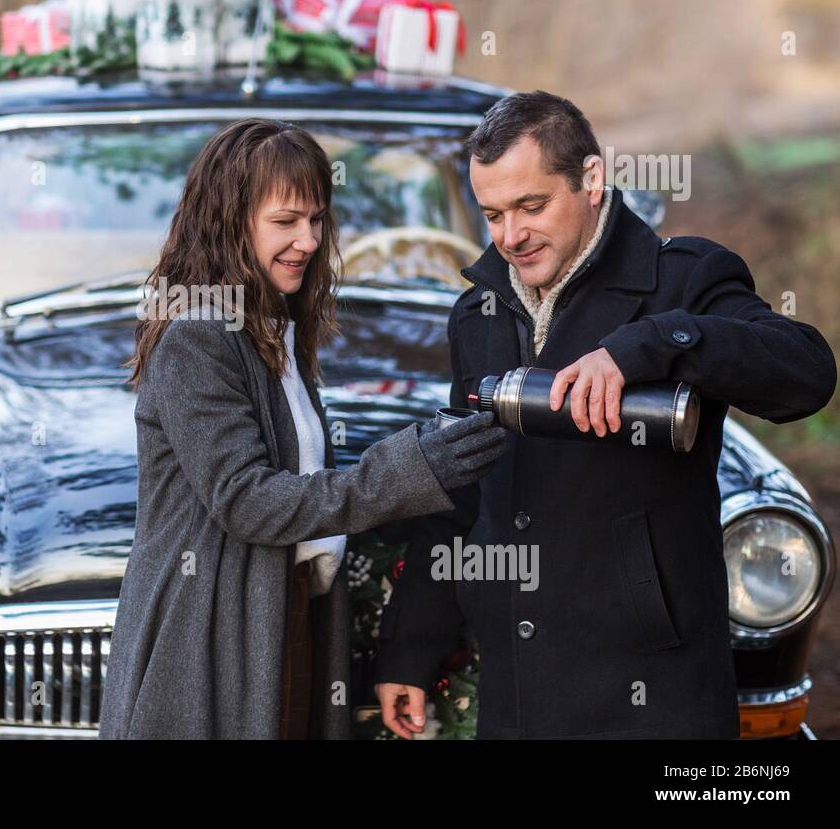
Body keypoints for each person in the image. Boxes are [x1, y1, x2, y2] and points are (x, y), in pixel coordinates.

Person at [374, 90, 837, 739]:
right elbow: (456, 494)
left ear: (591, 179)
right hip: (515, 696)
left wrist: (647, 347)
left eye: (531, 206)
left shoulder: (682, 279)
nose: (510, 236)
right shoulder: (474, 316)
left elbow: (806, 372)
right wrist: (411, 653)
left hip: (652, 700)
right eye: (492, 214)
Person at [98, 117, 507, 739]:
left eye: (317, 220)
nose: (310, 240)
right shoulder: (197, 339)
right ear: (230, 222)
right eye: (285, 222)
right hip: (208, 646)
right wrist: (408, 468)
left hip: (284, 625)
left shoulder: (273, 332)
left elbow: (308, 488)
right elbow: (250, 501)